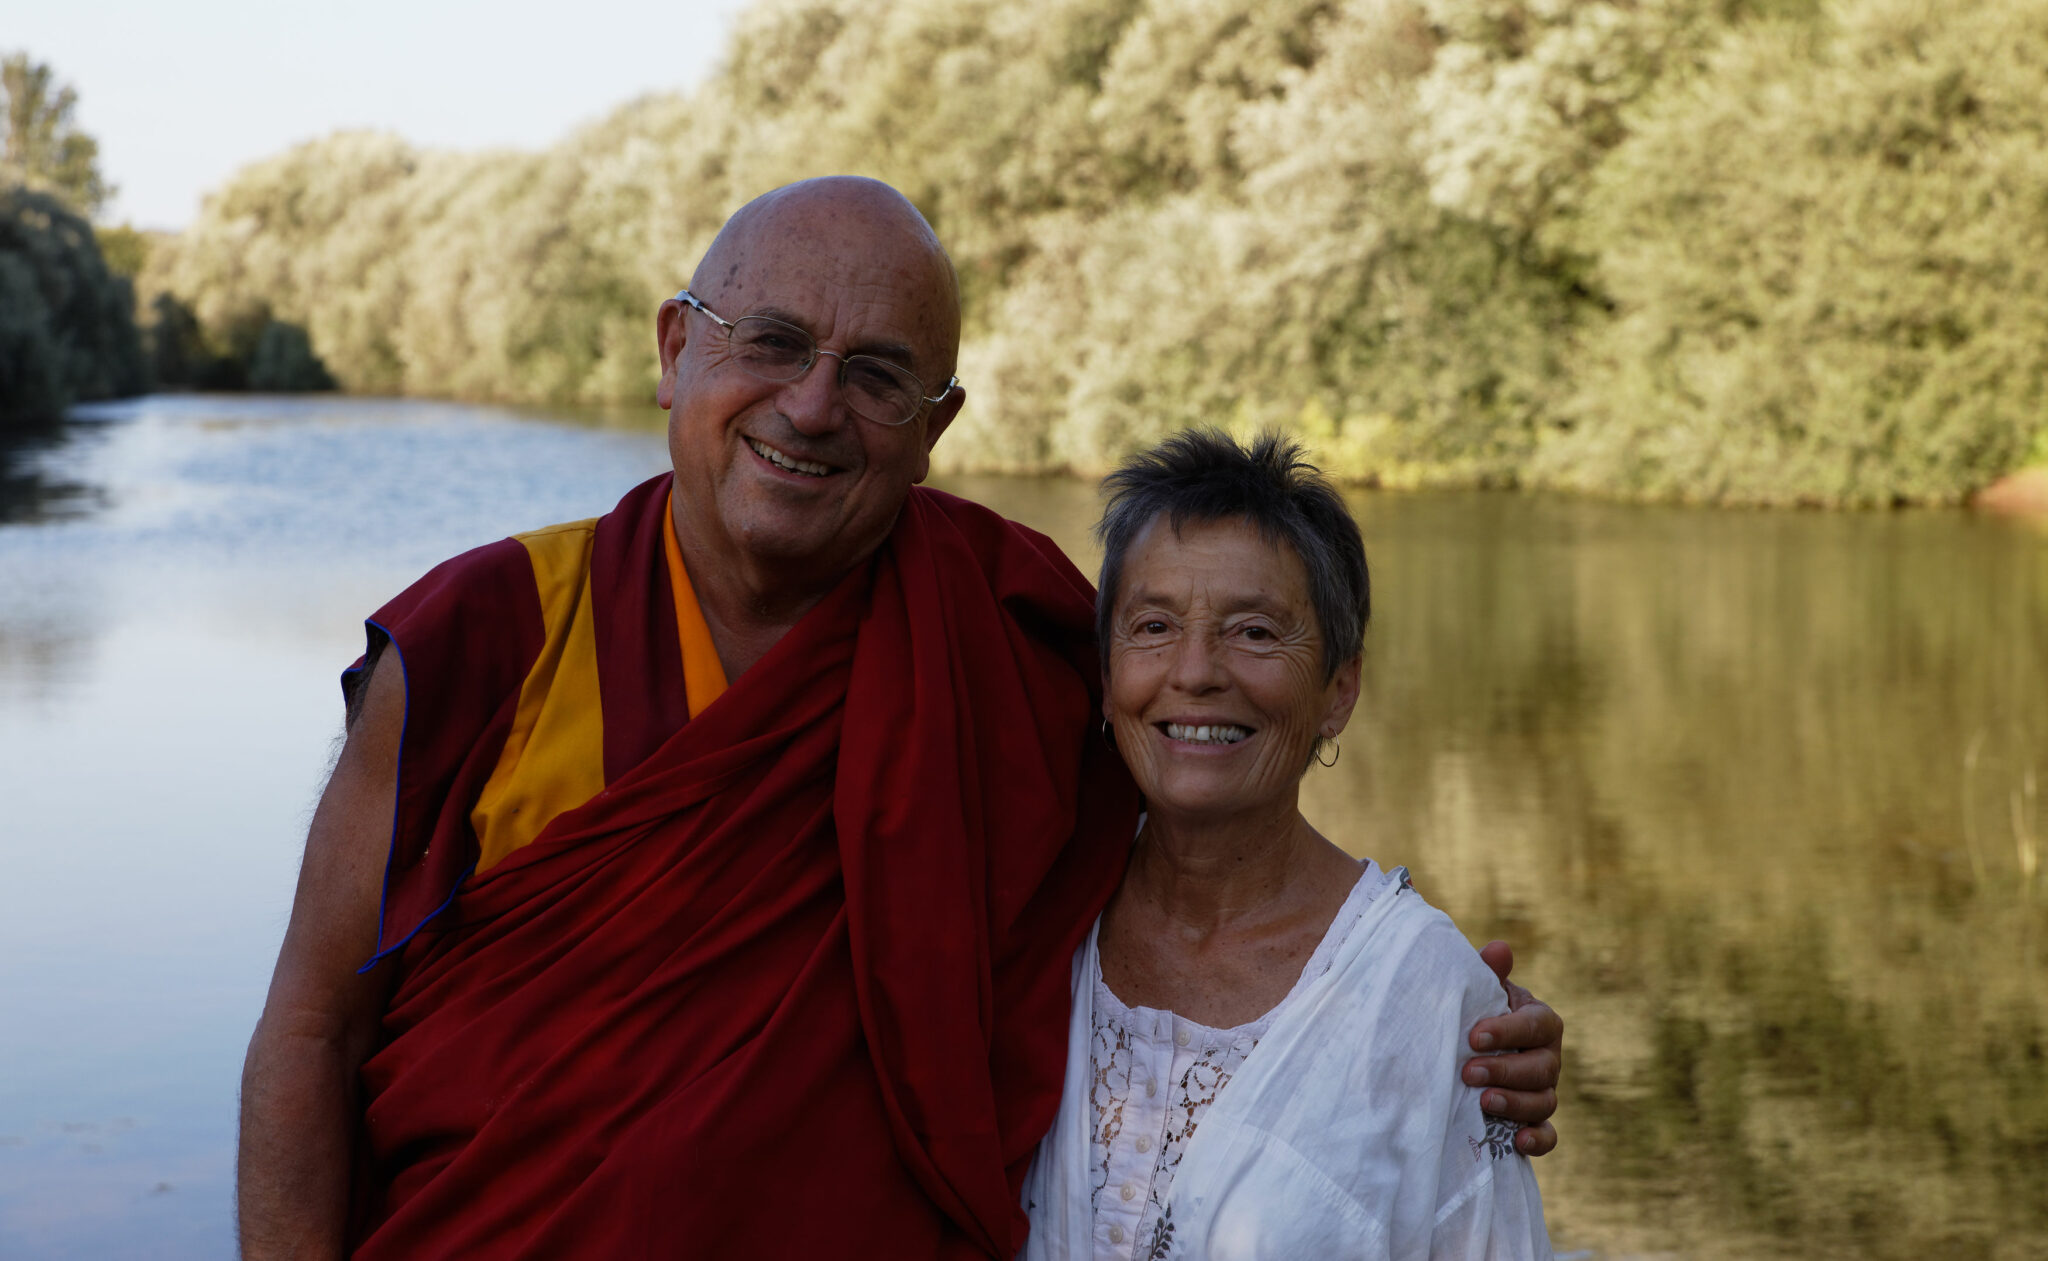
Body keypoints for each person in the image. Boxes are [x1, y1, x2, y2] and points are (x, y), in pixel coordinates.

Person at [236, 177, 1562, 1260]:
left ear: (937, 426)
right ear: (672, 348)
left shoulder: (1006, 640)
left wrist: (1401, 1016)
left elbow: (1199, 827)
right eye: (770, 343)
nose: (813, 407)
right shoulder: (490, 638)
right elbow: (311, 1031)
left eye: (877, 375)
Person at [1022, 429, 1551, 1259]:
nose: (1195, 670)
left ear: (1340, 690)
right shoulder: (1032, 905)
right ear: (1105, 670)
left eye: (1257, 633)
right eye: (1153, 625)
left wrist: (1457, 1010)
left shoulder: (1420, 995)